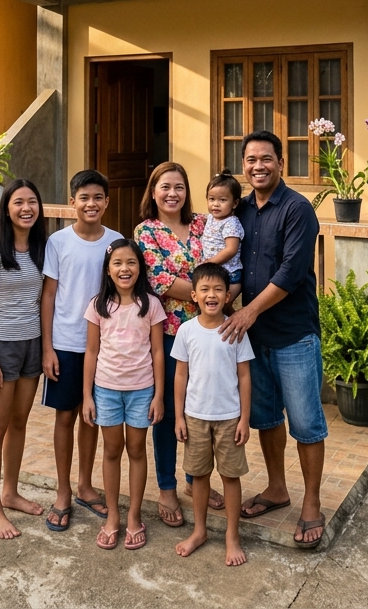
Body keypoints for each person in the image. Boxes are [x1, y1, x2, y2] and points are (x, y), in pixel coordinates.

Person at [218, 130, 327, 550]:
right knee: (266, 417)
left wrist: (246, 310)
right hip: (253, 338)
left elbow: (290, 273)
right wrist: (222, 298)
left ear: (281, 163)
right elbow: (236, 265)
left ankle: (312, 503)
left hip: (293, 334)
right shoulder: (240, 210)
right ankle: (277, 489)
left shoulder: (298, 209)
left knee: (306, 423)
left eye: (266, 159)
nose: (257, 166)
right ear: (243, 165)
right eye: (250, 160)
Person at [133, 161, 216, 525]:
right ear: (153, 192)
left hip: (209, 335)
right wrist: (211, 293)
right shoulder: (146, 231)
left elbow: (225, 265)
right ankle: (167, 486)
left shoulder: (203, 223)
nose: (172, 193)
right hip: (169, 336)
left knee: (203, 410)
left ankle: (194, 480)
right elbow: (158, 279)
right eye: (165, 186)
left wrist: (213, 292)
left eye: (179, 186)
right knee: (168, 410)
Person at [41, 169, 123, 531]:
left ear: (107, 201)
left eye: (98, 197)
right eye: (84, 197)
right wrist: (47, 348)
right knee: (65, 416)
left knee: (91, 417)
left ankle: (86, 486)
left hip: (105, 346)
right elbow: (48, 297)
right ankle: (62, 491)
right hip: (65, 343)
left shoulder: (116, 242)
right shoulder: (58, 242)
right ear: (71, 201)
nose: (91, 204)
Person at [82, 238, 166, 551]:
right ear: (107, 270)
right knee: (111, 451)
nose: (124, 268)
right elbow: (91, 352)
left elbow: (158, 352)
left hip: (142, 391)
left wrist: (158, 395)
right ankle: (113, 517)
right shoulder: (98, 306)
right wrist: (87, 396)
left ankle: (134, 517)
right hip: (105, 390)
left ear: (140, 267)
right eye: (117, 263)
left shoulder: (151, 305)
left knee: (137, 451)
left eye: (131, 262)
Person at [0, 178, 47, 540]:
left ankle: (11, 491)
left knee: (19, 423)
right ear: (6, 209)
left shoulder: (41, 248)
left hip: (31, 343)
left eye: (32, 202)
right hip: (1, 348)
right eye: (18, 202)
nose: (26, 209)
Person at [173, 263, 254, 567]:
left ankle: (232, 536)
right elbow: (180, 375)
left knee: (230, 477)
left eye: (218, 289)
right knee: (200, 476)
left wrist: (244, 418)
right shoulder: (186, 331)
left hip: (229, 418)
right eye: (205, 289)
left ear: (228, 295)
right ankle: (200, 530)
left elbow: (244, 377)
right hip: (195, 417)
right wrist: (179, 417)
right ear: (194, 295)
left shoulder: (234, 330)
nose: (212, 294)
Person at [201, 172, 244, 306]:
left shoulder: (231, 223)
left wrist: (211, 262)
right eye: (211, 199)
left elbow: (231, 249)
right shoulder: (210, 218)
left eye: (222, 200)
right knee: (217, 306)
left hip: (229, 273)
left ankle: (234, 324)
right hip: (216, 271)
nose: (216, 204)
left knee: (223, 305)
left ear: (235, 203)